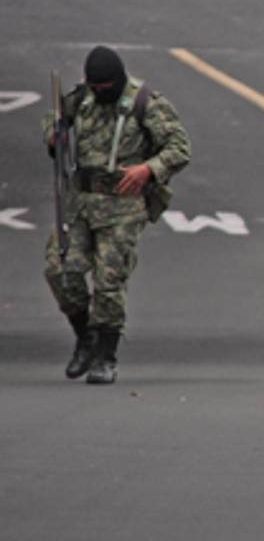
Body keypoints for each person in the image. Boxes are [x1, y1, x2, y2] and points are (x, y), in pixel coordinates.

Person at [43, 46, 191, 385]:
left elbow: (179, 147)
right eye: (94, 86)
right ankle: (85, 336)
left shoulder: (145, 103)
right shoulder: (81, 98)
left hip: (122, 206)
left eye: (105, 87)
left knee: (110, 282)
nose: (99, 93)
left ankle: (105, 355)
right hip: (81, 202)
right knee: (59, 269)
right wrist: (55, 135)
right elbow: (54, 119)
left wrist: (148, 170)